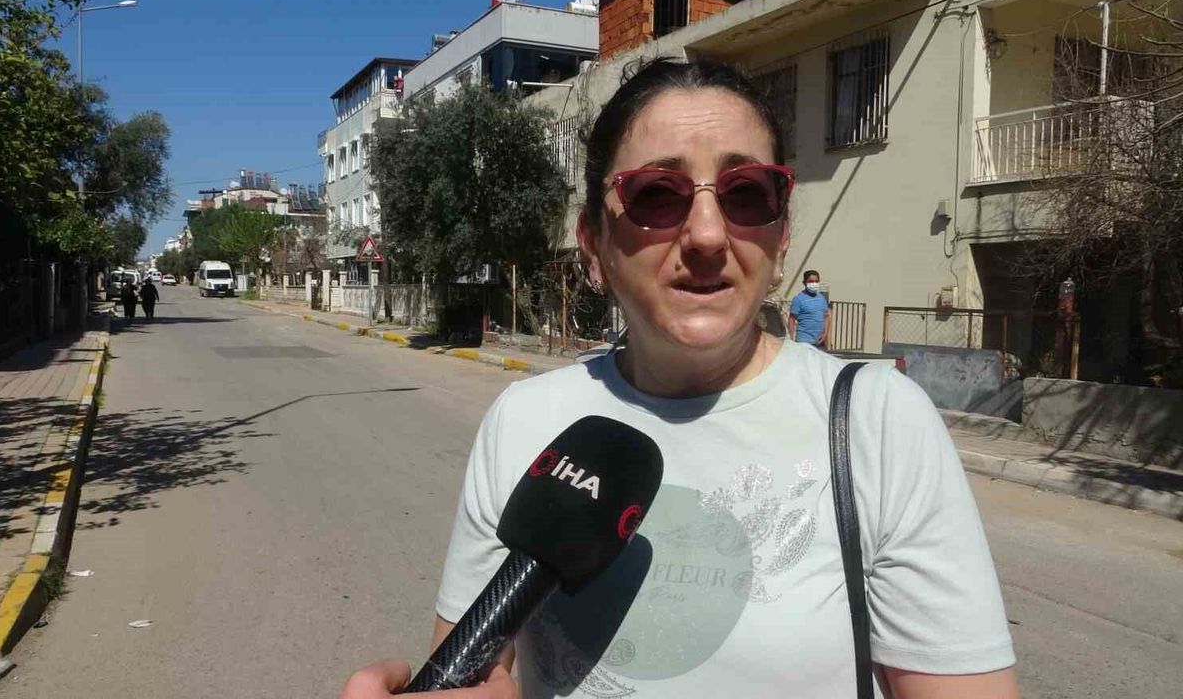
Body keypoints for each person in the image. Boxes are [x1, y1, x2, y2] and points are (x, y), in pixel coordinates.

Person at [341, 59, 1018, 699]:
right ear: (594, 245)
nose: (707, 235)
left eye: (746, 192)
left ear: (781, 238)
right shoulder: (524, 420)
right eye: (657, 195)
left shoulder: (879, 422)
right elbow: (472, 673)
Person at [788, 269, 832, 348]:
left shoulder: (821, 298)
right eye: (811, 281)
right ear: (804, 283)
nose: (814, 284)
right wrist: (791, 339)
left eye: (816, 281)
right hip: (804, 342)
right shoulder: (798, 299)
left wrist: (825, 333)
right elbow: (792, 319)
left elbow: (826, 316)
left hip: (820, 342)